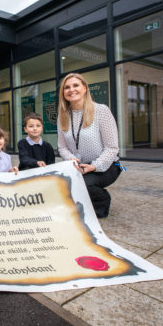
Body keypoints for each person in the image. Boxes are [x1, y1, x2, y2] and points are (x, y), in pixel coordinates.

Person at [57, 73, 121, 218]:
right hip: (78, 165)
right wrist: (72, 159)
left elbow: (112, 148)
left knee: (85, 184)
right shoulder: (63, 116)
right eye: (67, 87)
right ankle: (84, 201)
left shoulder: (101, 110)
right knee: (60, 185)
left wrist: (94, 166)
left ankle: (102, 201)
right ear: (63, 93)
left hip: (107, 165)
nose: (71, 90)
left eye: (76, 85)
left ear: (85, 88)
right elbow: (62, 147)